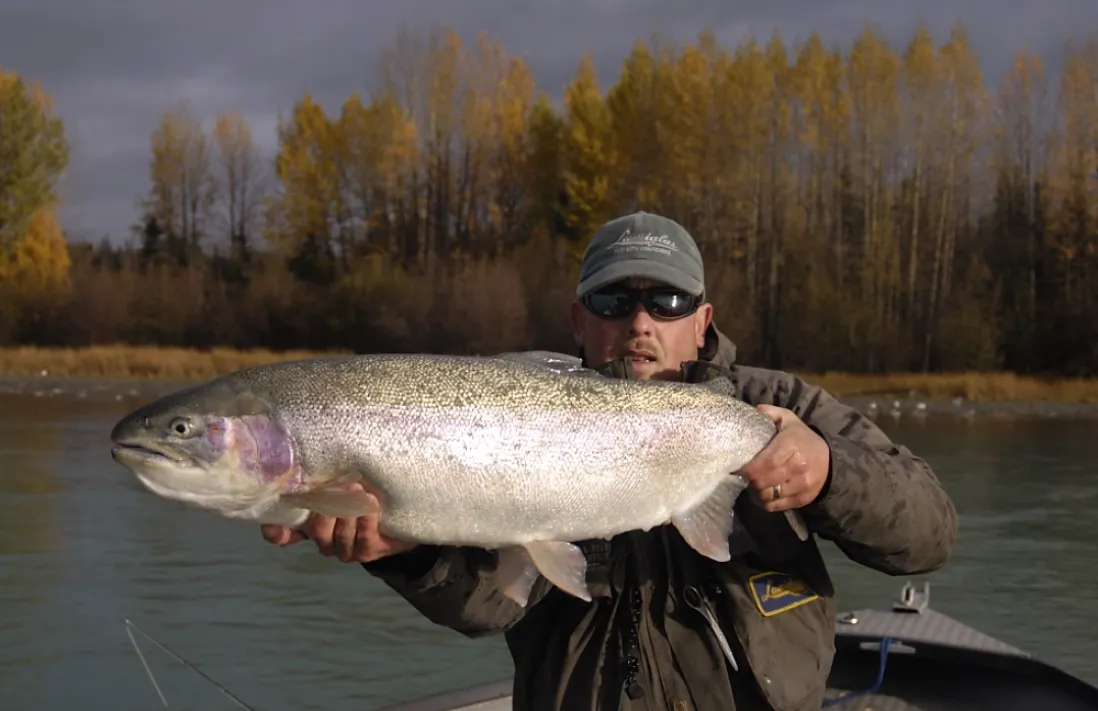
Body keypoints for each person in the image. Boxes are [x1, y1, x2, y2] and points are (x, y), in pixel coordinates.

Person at [261, 211, 959, 711]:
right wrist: (402, 554)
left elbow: (929, 533)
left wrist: (830, 471)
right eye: (615, 300)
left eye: (667, 299)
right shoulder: (511, 420)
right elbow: (493, 606)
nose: (641, 321)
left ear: (704, 318)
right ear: (578, 320)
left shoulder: (779, 407)